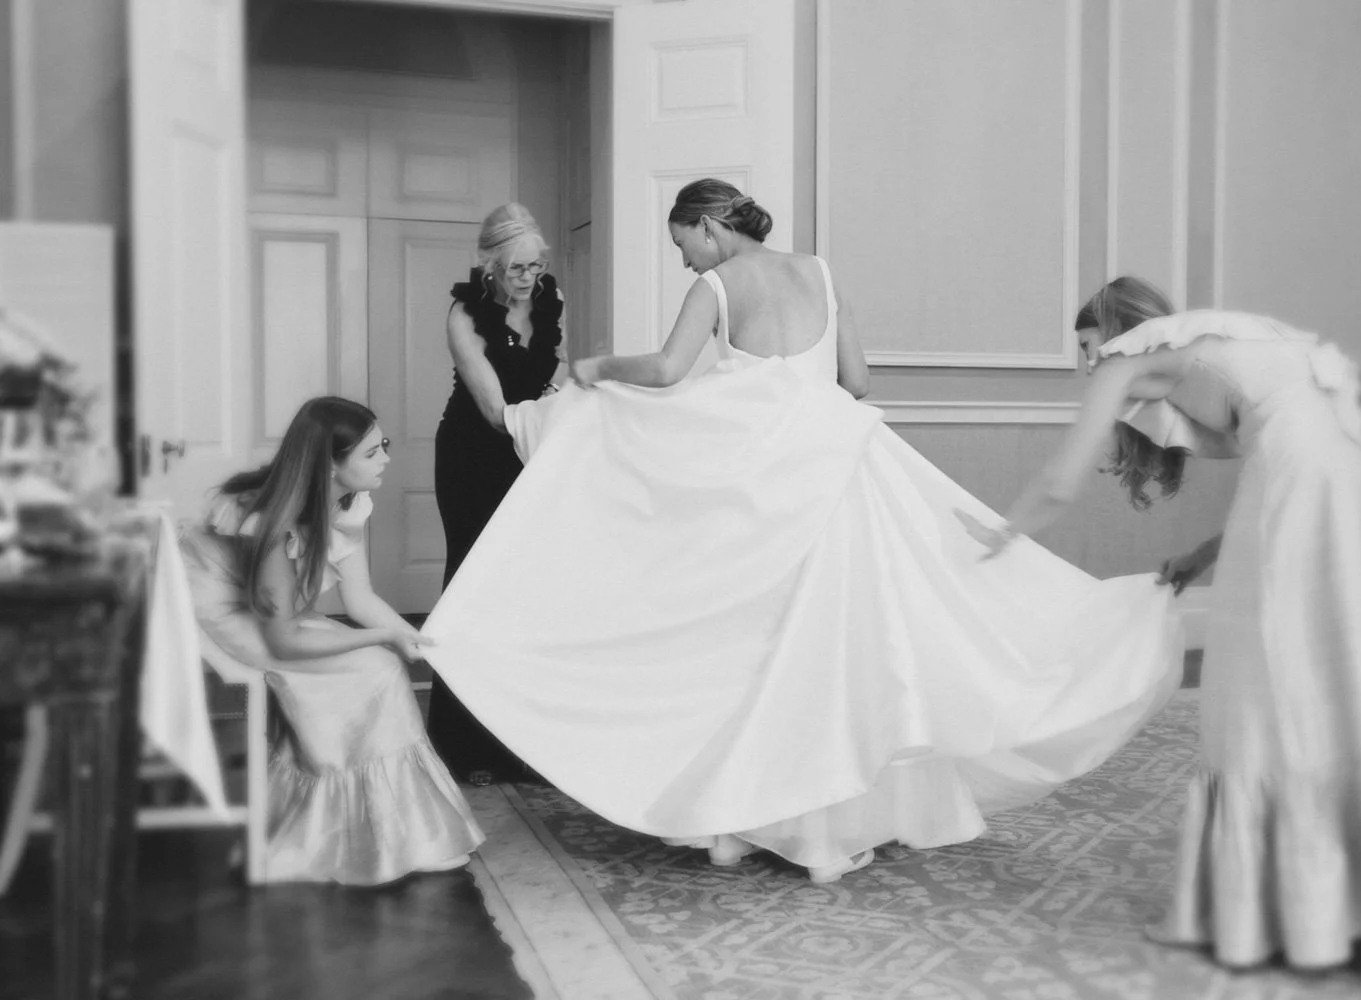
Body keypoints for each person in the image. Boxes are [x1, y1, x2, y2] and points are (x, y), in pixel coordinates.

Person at [422, 180, 1183, 884]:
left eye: (682, 240)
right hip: (838, 470)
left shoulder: (715, 284)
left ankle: (761, 812)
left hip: (765, 485)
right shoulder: (820, 270)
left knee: (761, 647)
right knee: (846, 644)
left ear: (712, 228)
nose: (682, 255)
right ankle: (852, 809)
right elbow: (858, 382)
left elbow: (662, 370)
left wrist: (597, 368)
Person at [962, 277, 1361, 971]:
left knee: (1261, 680)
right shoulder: (1224, 338)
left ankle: (1301, 907)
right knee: (1344, 664)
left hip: (1316, 463)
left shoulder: (1130, 355)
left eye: (1087, 344)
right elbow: (1292, 453)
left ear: (1112, 325)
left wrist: (998, 538)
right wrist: (1210, 553)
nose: (1090, 363)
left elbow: (1063, 478)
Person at [180, 396, 483, 886]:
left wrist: (417, 638)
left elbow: (361, 600)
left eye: (382, 445)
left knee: (382, 665)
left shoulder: (345, 504)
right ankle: (357, 831)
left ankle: (399, 832)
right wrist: (383, 640)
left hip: (280, 614)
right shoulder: (277, 527)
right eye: (370, 453)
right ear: (330, 465)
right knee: (376, 669)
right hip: (232, 616)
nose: (386, 458)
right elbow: (282, 643)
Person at [428, 203, 567, 787]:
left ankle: (519, 741)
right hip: (474, 455)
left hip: (529, 449)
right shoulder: (465, 314)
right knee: (471, 584)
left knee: (525, 592)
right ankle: (461, 744)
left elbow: (556, 373)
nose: (528, 277)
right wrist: (547, 422)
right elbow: (491, 408)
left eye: (536, 265)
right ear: (489, 263)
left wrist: (568, 411)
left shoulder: (551, 299)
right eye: (516, 267)